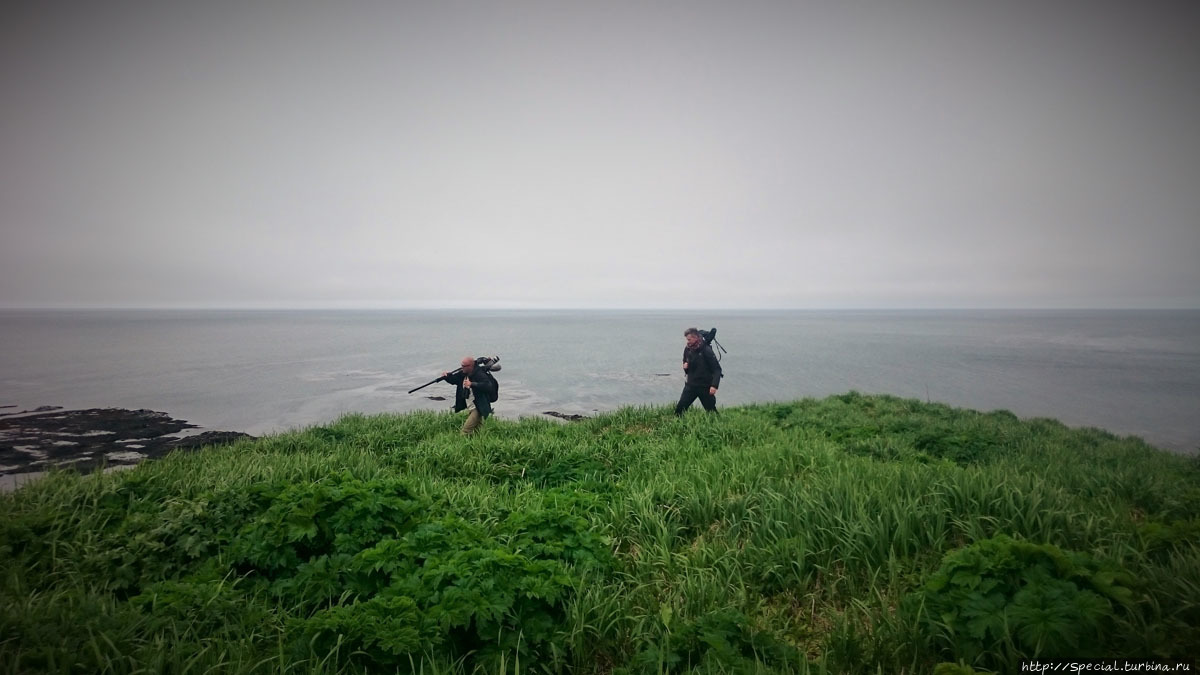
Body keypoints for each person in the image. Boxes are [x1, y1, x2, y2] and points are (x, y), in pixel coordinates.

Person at [442, 356, 498, 434]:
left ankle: (462, 445)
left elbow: (488, 386)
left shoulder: (479, 374)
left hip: (478, 407)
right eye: (461, 365)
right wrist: (446, 377)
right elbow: (454, 379)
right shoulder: (463, 373)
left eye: (464, 366)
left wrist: (472, 384)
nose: (462, 368)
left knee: (465, 431)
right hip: (471, 406)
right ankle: (479, 443)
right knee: (478, 431)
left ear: (471, 366)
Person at [675, 327, 722, 415]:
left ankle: (720, 426)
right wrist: (685, 367)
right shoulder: (687, 349)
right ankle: (677, 426)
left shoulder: (706, 350)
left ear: (696, 337)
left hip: (705, 387)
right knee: (679, 410)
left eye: (689, 339)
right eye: (686, 339)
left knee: (712, 412)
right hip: (690, 385)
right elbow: (685, 362)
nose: (687, 341)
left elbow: (717, 369)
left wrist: (714, 386)